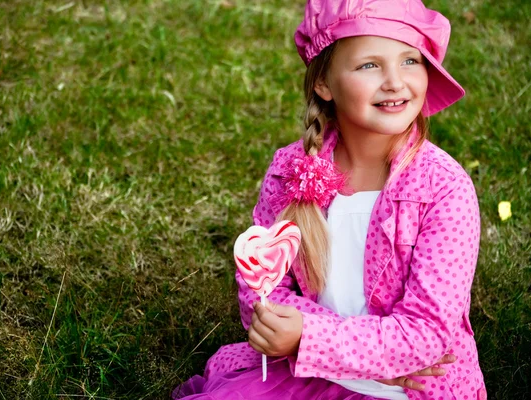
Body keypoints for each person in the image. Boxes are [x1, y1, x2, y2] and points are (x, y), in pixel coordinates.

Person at [174, 0, 486, 399]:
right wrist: (296, 339)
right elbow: (262, 290)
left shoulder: (443, 188)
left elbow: (425, 334)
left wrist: (308, 335)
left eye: (411, 60)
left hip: (410, 388)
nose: (394, 81)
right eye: (369, 65)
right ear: (324, 83)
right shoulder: (293, 169)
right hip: (304, 371)